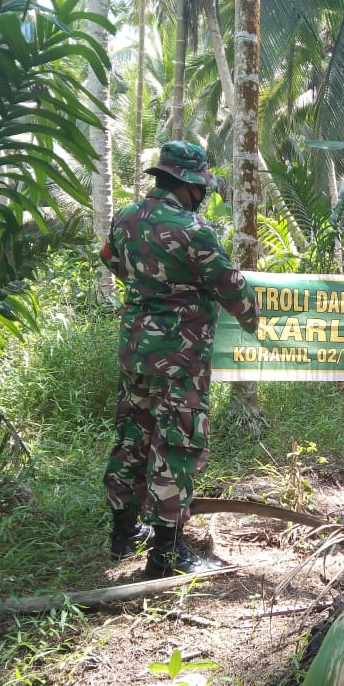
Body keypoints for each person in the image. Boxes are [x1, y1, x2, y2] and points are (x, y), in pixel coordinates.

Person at [100, 140, 261, 579]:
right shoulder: (194, 230)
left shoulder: (126, 218)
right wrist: (253, 317)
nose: (203, 193)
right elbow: (234, 290)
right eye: (201, 186)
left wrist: (151, 286)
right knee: (177, 444)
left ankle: (122, 533)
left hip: (135, 352)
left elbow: (111, 260)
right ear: (189, 184)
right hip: (180, 359)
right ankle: (166, 554)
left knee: (132, 435)